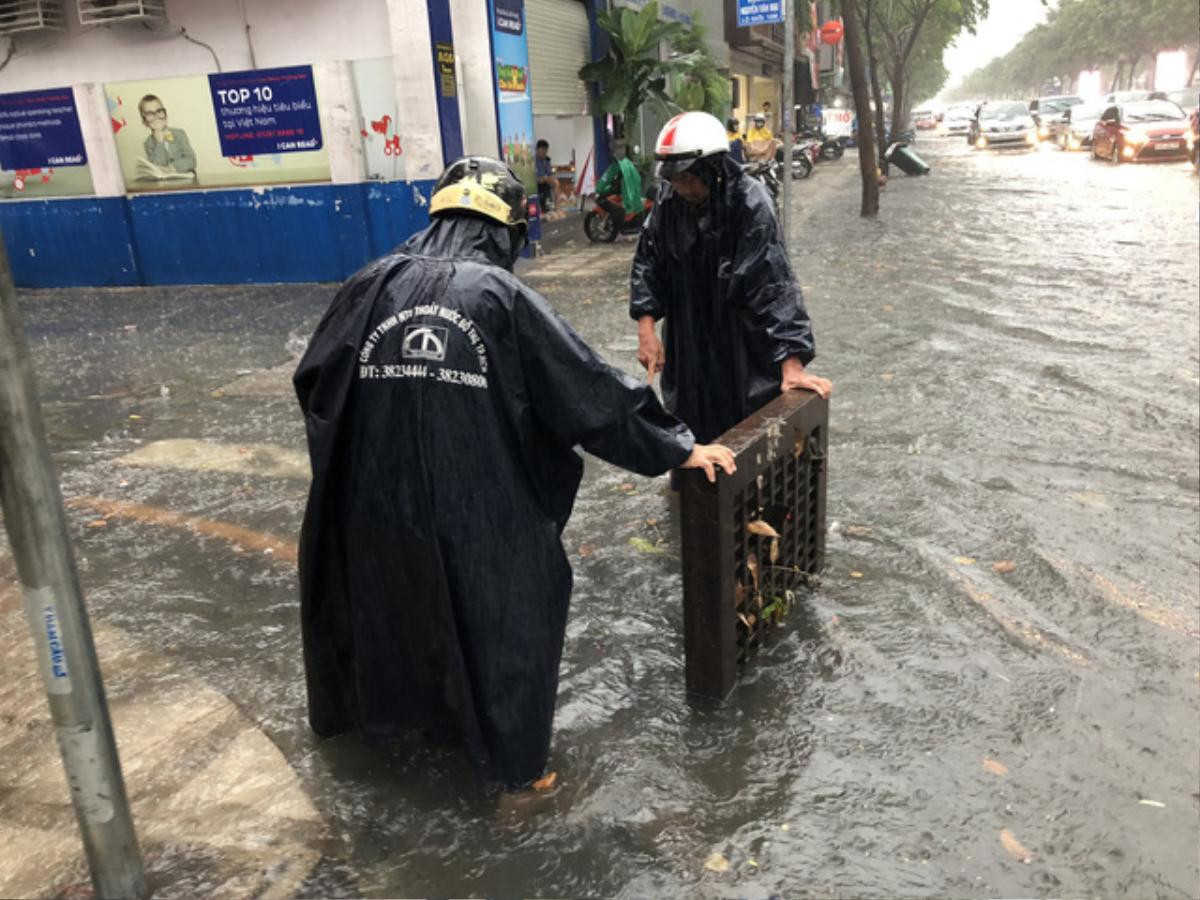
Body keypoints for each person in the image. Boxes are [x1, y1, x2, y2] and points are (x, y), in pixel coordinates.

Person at [294, 156, 735, 791]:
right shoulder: (501, 298)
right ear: (508, 232)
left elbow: (314, 385)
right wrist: (676, 447)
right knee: (501, 625)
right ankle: (512, 778)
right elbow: (589, 394)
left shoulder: (365, 286)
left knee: (384, 611)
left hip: (370, 512)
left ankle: (381, 742)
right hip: (478, 519)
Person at [630, 111, 832, 445]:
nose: (680, 187)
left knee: (744, 437)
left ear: (713, 169)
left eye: (688, 178)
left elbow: (773, 284)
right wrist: (646, 328)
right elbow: (648, 262)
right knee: (688, 433)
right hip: (688, 338)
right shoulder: (669, 201)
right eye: (674, 179)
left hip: (741, 342)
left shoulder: (749, 204)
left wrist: (791, 361)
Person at [138, 94, 196, 175]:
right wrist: (159, 143)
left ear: (165, 114)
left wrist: (172, 168)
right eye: (150, 114)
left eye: (159, 111)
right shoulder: (148, 143)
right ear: (144, 122)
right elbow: (156, 167)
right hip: (166, 183)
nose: (156, 117)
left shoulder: (179, 134)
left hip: (185, 179)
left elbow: (191, 160)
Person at [593, 139, 643, 227]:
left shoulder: (620, 163)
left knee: (605, 199)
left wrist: (599, 189)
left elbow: (607, 177)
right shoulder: (627, 163)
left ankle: (622, 221)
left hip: (627, 194)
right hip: (632, 193)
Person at [534, 139, 561, 211]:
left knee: (556, 182)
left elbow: (549, 174)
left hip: (545, 180)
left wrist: (549, 178)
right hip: (535, 181)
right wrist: (544, 177)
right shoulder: (532, 160)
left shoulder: (547, 160)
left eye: (546, 150)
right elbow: (536, 176)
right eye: (542, 150)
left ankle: (557, 207)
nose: (544, 152)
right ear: (537, 149)